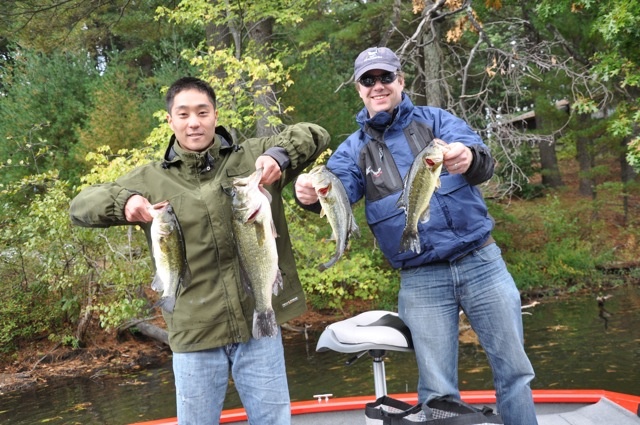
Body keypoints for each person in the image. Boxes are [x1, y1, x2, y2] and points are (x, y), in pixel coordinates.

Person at [295, 47, 538, 425]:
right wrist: (309, 194)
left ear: (401, 81)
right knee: (437, 392)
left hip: (481, 261)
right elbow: (335, 190)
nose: (378, 86)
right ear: (359, 89)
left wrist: (468, 158)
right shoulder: (354, 150)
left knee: (515, 373)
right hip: (421, 276)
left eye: (386, 77)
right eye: (368, 80)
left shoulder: (437, 122)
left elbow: (482, 160)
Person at [70, 76, 330, 425]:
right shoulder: (150, 180)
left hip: (258, 327)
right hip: (194, 334)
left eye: (202, 112)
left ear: (215, 115)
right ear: (170, 120)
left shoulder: (252, 158)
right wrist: (124, 201)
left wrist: (279, 156)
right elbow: (80, 207)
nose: (194, 122)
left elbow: (314, 133)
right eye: (184, 114)